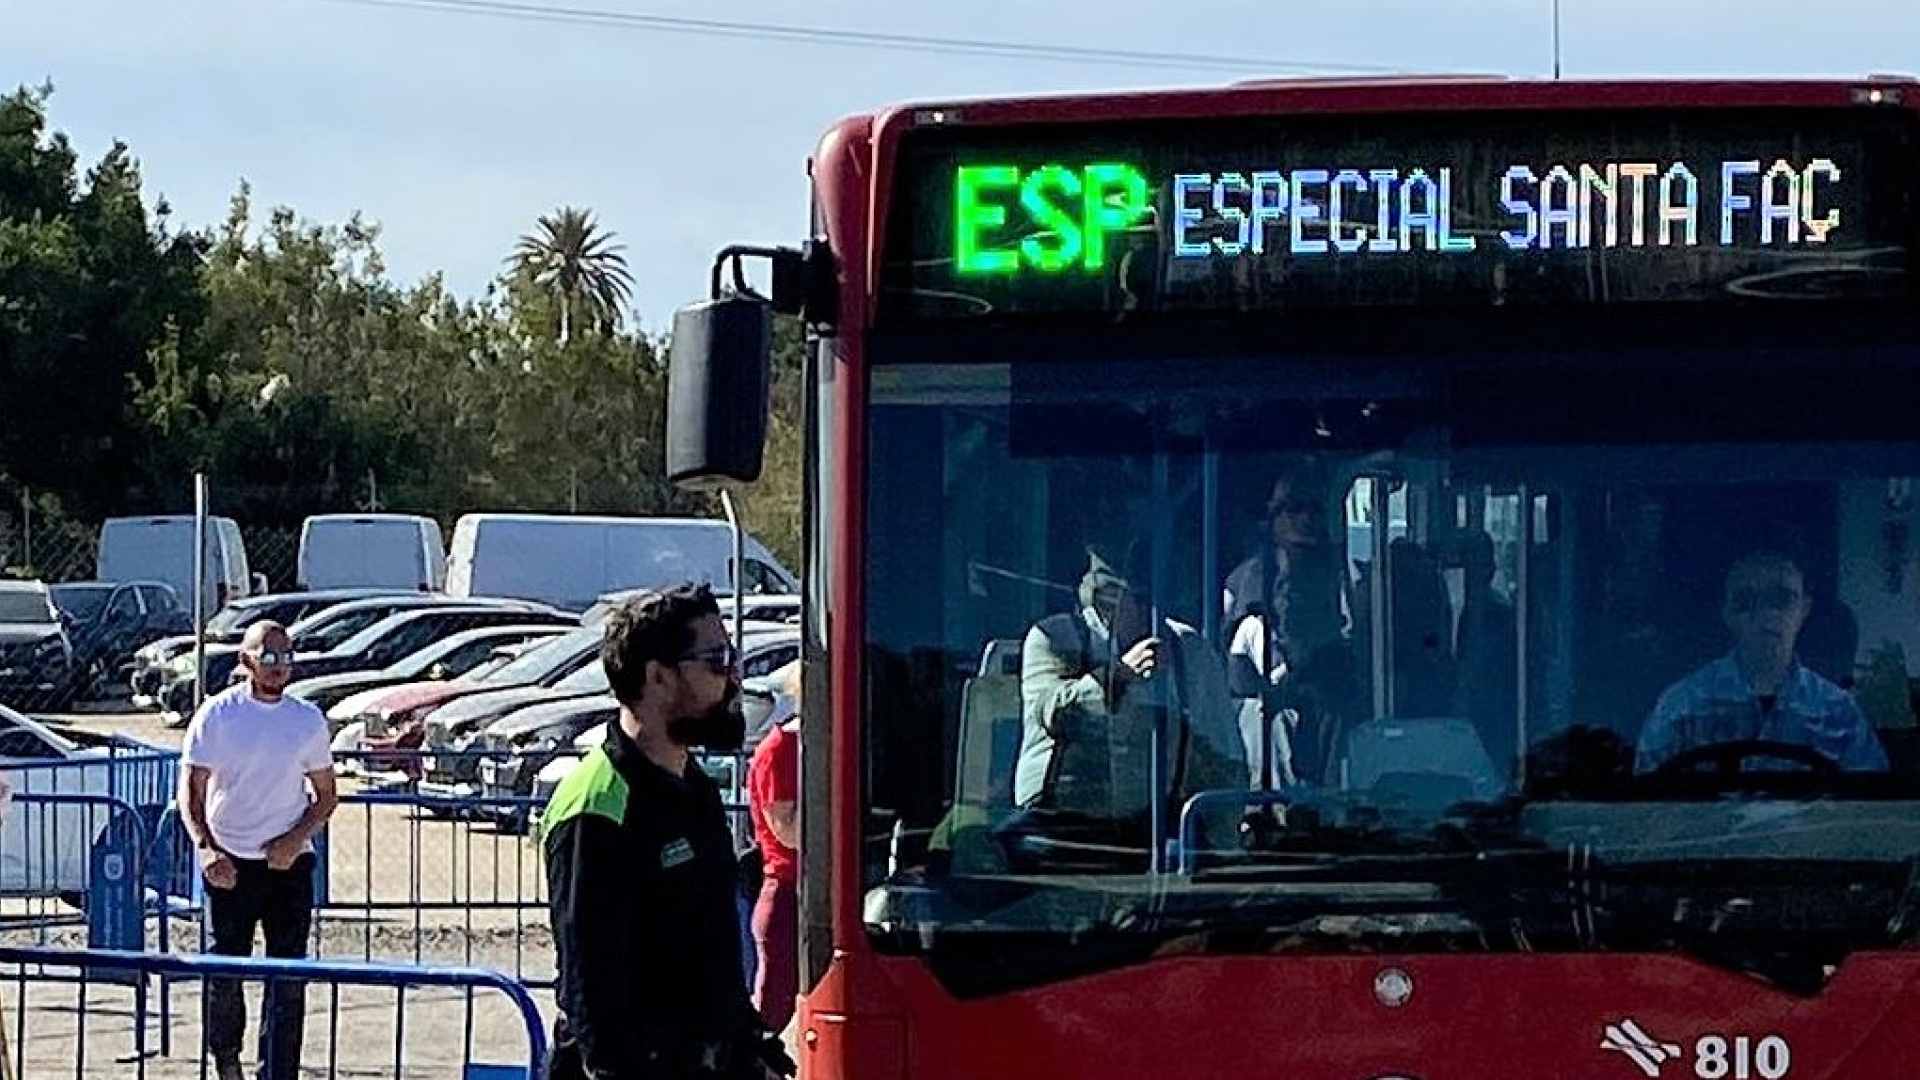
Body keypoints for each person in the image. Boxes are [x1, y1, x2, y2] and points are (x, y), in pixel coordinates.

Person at [542, 584, 794, 1080]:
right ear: (657, 677)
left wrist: (749, 1043)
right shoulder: (597, 802)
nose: (735, 678)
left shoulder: (694, 787)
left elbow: (711, 950)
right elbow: (591, 989)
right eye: (716, 660)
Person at [177, 621, 338, 1080]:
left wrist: (295, 837)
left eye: (286, 657)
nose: (278, 666)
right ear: (246, 660)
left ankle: (279, 1071)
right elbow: (191, 790)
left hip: (287, 863)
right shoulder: (217, 715)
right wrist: (206, 849)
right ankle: (227, 1062)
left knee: (287, 974)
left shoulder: (306, 719)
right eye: (268, 657)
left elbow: (327, 795)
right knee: (225, 969)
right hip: (230, 860)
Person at [1011, 542, 1245, 855]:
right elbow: (1053, 714)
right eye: (1132, 596)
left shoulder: (1191, 651)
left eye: (1154, 595)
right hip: (1062, 823)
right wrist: (1119, 676)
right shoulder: (1055, 637)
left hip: (1160, 827)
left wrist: (1222, 847)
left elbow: (1225, 756)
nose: (1147, 608)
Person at [1635, 552, 1888, 774]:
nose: (1766, 614)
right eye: (1746, 601)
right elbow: (1642, 807)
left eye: (1781, 599)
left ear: (1804, 610)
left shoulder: (1839, 713)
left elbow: (1871, 811)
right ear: (1727, 614)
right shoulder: (1681, 708)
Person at [746, 660, 801, 1034]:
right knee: (771, 1008)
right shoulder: (779, 749)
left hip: (807, 891)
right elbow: (789, 831)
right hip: (785, 889)